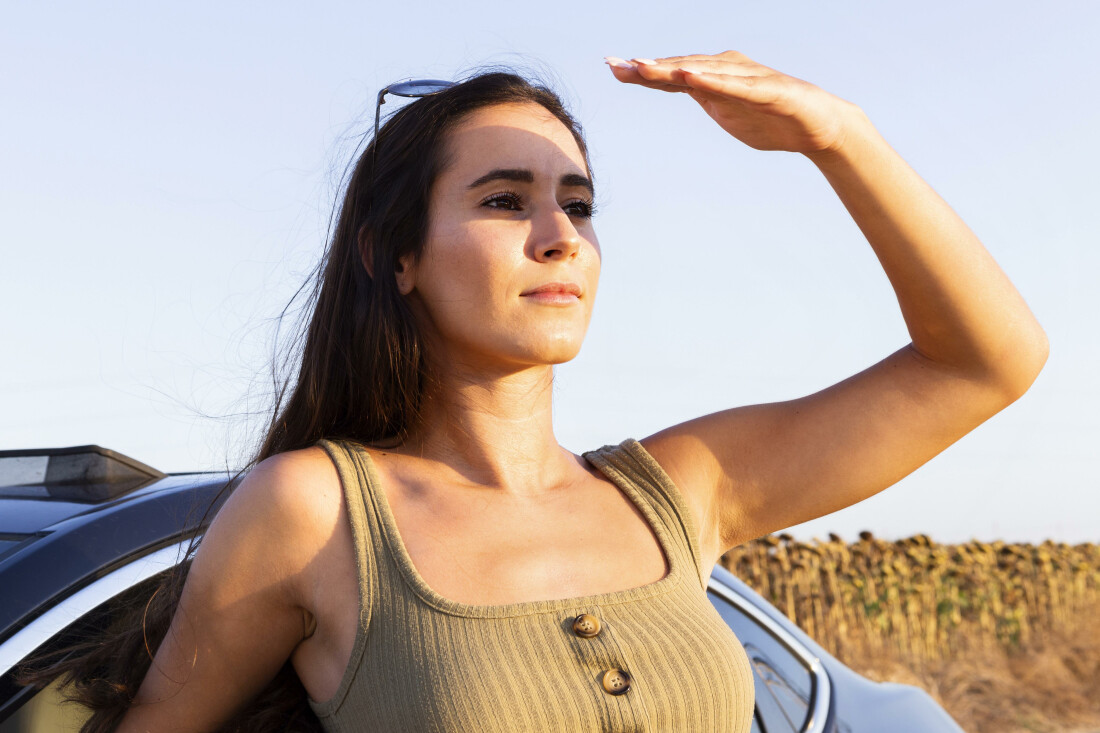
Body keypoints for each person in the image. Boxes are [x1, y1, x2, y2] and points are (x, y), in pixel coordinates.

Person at [25, 51, 1047, 732]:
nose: (559, 233)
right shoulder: (315, 512)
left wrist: (837, 136)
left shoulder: (679, 490)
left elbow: (984, 360)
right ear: (399, 258)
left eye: (579, 202)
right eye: (504, 200)